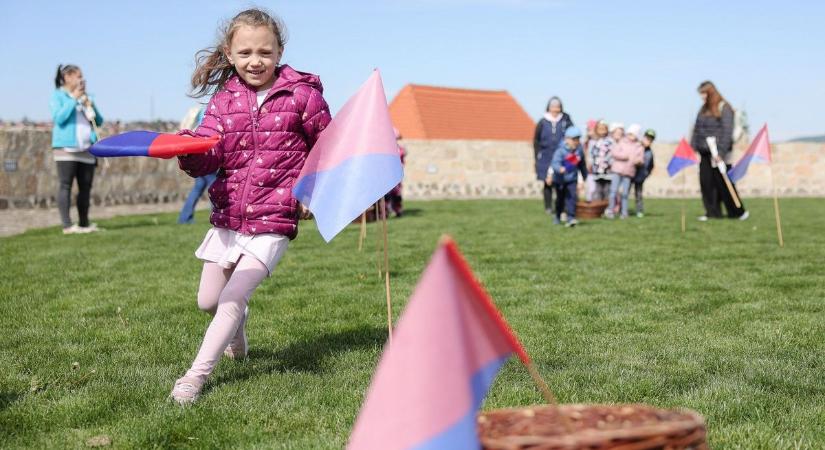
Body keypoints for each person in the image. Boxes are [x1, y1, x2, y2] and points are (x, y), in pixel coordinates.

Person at [170, 8, 331, 405]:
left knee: (230, 298)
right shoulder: (224, 100)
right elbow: (210, 152)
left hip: (274, 218)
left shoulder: (302, 96)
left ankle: (194, 378)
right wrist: (188, 152)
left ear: (279, 51)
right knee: (208, 301)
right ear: (229, 53)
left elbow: (328, 150)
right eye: (245, 53)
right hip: (230, 216)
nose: (255, 61)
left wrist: (313, 194)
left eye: (264, 52)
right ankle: (237, 334)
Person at [49, 64, 104, 234]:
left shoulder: (86, 97)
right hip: (66, 148)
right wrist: (73, 98)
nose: (82, 79)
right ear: (67, 77)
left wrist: (90, 104)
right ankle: (67, 225)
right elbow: (59, 118)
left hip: (86, 148)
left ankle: (84, 223)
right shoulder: (58, 96)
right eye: (78, 76)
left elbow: (99, 121)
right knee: (65, 185)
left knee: (85, 187)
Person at [691, 81, 748, 221]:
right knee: (707, 183)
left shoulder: (724, 108)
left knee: (724, 183)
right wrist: (694, 145)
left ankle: (737, 212)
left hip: (719, 153)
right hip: (704, 152)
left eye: (704, 94)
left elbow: (727, 131)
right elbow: (697, 128)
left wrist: (721, 153)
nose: (703, 97)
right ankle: (712, 212)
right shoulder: (703, 110)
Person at [533, 96, 573, 216]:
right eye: (553, 107)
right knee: (547, 182)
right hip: (546, 156)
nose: (555, 109)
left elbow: (572, 136)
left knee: (561, 183)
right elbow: (536, 140)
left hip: (562, 155)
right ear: (549, 108)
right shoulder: (542, 122)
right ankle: (548, 207)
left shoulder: (565, 120)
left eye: (558, 107)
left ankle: (561, 206)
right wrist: (536, 157)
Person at [177, 106, 218, 224]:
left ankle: (184, 218)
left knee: (198, 187)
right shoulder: (212, 109)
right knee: (214, 186)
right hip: (205, 151)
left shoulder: (201, 109)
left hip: (197, 151)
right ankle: (218, 217)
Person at [550, 127, 588, 227]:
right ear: (566, 139)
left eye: (578, 139)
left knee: (571, 199)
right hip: (560, 180)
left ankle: (571, 217)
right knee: (560, 200)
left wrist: (584, 176)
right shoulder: (560, 151)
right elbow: (554, 163)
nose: (576, 142)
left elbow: (581, 165)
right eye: (573, 139)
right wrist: (560, 168)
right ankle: (557, 216)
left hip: (572, 179)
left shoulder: (578, 151)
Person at [606, 124, 644, 219]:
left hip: (629, 172)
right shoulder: (621, 142)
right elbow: (615, 153)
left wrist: (638, 161)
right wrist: (625, 156)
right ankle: (611, 210)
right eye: (630, 134)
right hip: (617, 170)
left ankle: (624, 212)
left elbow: (640, 158)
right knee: (613, 191)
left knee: (625, 193)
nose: (631, 136)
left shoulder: (639, 146)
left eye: (634, 134)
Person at [632, 129, 656, 217]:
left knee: (638, 194)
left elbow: (651, 166)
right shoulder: (636, 146)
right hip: (630, 174)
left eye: (650, 140)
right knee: (624, 193)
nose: (648, 141)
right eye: (647, 139)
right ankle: (622, 210)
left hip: (640, 176)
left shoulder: (650, 153)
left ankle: (639, 210)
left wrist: (646, 174)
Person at [587, 120, 613, 201]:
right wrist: (590, 163)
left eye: (603, 129)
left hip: (607, 170)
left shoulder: (610, 141)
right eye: (600, 129)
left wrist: (610, 162)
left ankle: (607, 207)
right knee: (597, 189)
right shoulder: (593, 142)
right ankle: (598, 206)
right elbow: (590, 154)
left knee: (607, 189)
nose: (602, 131)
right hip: (597, 169)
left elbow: (612, 153)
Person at [383, 128, 406, 217]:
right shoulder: (387, 148)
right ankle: (385, 211)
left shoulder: (399, 149)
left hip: (396, 175)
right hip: (387, 175)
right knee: (386, 195)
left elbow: (401, 160)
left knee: (396, 194)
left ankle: (397, 209)